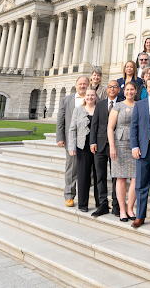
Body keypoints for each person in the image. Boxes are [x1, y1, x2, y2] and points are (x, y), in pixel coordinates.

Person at [130, 77, 150, 228]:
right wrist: (134, 146)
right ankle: (140, 215)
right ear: (146, 88)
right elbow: (134, 127)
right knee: (141, 185)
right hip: (143, 149)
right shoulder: (139, 105)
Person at [90, 80, 121, 217]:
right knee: (100, 176)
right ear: (106, 90)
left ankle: (116, 204)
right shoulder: (101, 104)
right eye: (110, 87)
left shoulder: (122, 104)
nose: (112, 89)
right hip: (101, 145)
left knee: (116, 176)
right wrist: (92, 142)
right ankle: (103, 203)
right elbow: (94, 125)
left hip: (117, 145)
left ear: (119, 90)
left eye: (115, 87)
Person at [56, 76, 88, 207]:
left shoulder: (92, 98)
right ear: (76, 85)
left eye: (85, 84)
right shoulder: (66, 100)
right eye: (80, 84)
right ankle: (69, 195)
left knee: (86, 168)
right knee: (71, 168)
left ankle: (83, 194)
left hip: (87, 139)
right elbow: (60, 119)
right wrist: (60, 138)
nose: (82, 86)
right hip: (72, 139)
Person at [108, 82, 137, 222]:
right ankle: (122, 210)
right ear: (123, 91)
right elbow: (110, 127)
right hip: (120, 145)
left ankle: (130, 208)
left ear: (136, 91)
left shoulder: (139, 105)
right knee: (121, 178)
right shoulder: (118, 106)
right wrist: (112, 146)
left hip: (136, 145)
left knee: (136, 178)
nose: (130, 92)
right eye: (127, 90)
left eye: (132, 89)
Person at [68, 87, 97, 213]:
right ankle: (83, 204)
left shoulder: (100, 109)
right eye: (88, 95)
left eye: (92, 95)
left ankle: (99, 203)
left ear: (96, 96)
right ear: (85, 97)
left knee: (98, 175)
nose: (90, 97)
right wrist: (71, 146)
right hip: (82, 147)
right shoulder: (78, 110)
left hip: (97, 147)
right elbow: (72, 129)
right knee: (83, 176)